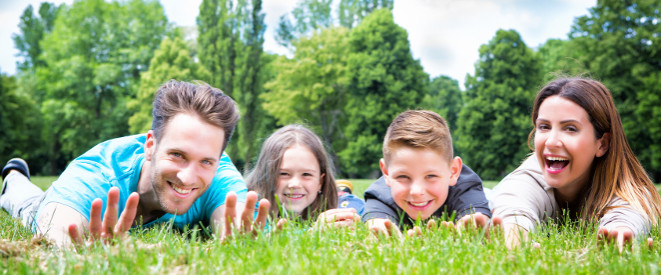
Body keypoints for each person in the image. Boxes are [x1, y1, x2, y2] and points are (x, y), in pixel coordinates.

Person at [0, 80, 269, 247]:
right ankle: (13, 178)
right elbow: (57, 236)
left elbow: (236, 228)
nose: (188, 177)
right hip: (44, 203)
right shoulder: (95, 176)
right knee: (26, 204)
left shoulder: (220, 175)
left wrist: (237, 241)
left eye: (206, 161)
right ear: (150, 145)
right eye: (177, 155)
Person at [490, 77, 661, 252]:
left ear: (602, 144)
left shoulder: (624, 189)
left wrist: (620, 231)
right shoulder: (530, 176)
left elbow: (630, 212)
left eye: (570, 128)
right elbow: (514, 203)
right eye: (544, 126)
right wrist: (514, 233)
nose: (551, 142)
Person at [363, 110, 491, 237]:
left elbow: (475, 222)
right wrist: (383, 236)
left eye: (431, 176)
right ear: (386, 172)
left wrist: (468, 230)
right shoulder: (379, 195)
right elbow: (377, 227)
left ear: (453, 172)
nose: (416, 191)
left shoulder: (466, 186)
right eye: (403, 176)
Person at [246, 124, 361, 229]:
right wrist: (314, 232)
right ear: (265, 176)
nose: (295, 184)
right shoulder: (251, 207)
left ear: (320, 181)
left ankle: (340, 188)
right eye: (284, 174)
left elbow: (368, 211)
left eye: (306, 174)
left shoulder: (339, 202)